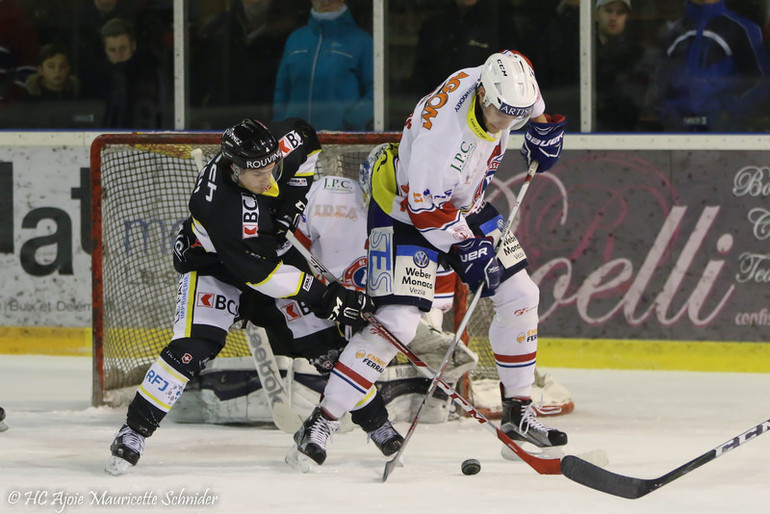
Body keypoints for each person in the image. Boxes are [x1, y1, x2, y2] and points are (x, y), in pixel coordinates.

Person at [292, 50, 569, 467]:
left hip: (462, 201)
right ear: (482, 95)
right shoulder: (442, 140)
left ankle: (518, 412)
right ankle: (322, 420)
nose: (507, 124)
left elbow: (530, 100)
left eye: (516, 116)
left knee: (522, 295)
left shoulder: (507, 81)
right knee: (397, 322)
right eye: (502, 115)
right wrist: (466, 246)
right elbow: (424, 211)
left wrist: (542, 128)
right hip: (404, 209)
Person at [105, 118, 376, 475]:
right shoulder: (223, 207)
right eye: (258, 175)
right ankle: (134, 431)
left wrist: (292, 203)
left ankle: (378, 426)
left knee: (325, 346)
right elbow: (263, 276)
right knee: (191, 350)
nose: (268, 179)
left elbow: (305, 136)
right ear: (234, 170)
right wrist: (325, 294)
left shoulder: (271, 154)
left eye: (271, 168)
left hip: (265, 260)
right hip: (218, 270)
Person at [654, 0, 770, 131]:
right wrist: (668, 114)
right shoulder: (673, 31)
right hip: (676, 130)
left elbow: (760, 82)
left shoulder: (743, 29)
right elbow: (660, 83)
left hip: (724, 131)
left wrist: (729, 113)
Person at [190, 0, 304, 124]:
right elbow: (198, 80)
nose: (256, 1)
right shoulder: (218, 29)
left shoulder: (289, 33)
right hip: (222, 123)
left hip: (267, 124)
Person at [273, 0, 373, 131]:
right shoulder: (295, 39)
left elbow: (375, 92)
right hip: (296, 137)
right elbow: (282, 88)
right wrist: (281, 125)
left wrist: (351, 121)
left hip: (341, 136)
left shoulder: (361, 41)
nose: (326, 1)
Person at [409, 0, 520, 98]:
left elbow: (512, 68)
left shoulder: (500, 23)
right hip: (439, 103)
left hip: (485, 104)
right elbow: (421, 71)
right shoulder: (433, 24)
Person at [98, 18, 169, 128]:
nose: (119, 55)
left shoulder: (149, 76)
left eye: (123, 48)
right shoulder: (99, 78)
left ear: (133, 46)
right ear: (105, 51)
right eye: (112, 50)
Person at [594, 0, 644, 131]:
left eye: (620, 12)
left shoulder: (636, 52)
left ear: (626, 17)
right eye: (608, 11)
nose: (613, 17)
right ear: (596, 14)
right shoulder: (583, 48)